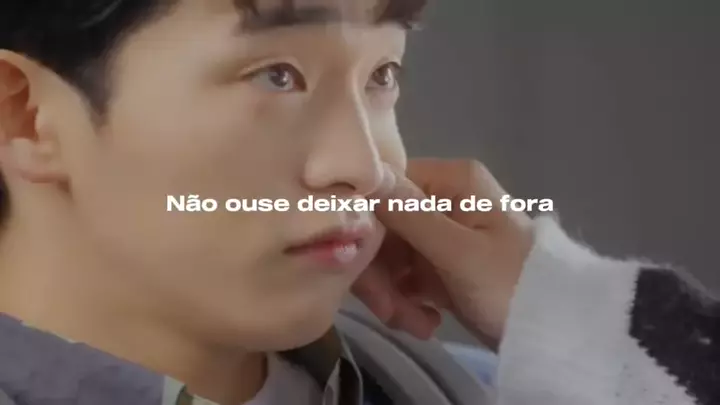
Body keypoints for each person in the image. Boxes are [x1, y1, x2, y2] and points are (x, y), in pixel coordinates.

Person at [0, 1, 716, 405]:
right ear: (26, 115)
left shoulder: (513, 386)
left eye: (383, 74)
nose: (365, 167)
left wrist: (572, 318)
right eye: (277, 75)